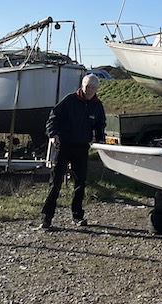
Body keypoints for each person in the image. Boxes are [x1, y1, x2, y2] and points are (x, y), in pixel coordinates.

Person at [39, 73, 106, 229]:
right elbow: (53, 118)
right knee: (55, 183)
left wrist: (101, 141)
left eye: (93, 88)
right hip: (64, 146)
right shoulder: (69, 100)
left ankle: (77, 216)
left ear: (96, 89)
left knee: (80, 183)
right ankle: (46, 218)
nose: (90, 90)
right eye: (87, 87)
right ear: (82, 86)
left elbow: (100, 125)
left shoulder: (97, 106)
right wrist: (53, 134)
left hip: (82, 148)